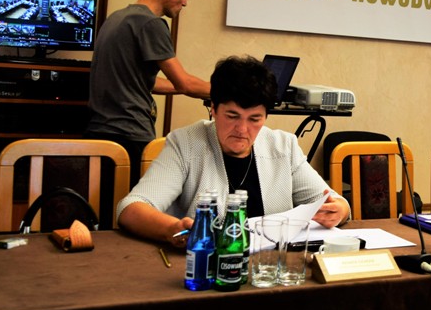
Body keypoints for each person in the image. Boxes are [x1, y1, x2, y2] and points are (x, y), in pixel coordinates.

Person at [117, 56, 350, 246]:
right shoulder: (185, 143)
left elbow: (333, 202)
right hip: (204, 267)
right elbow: (131, 209)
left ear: (265, 116)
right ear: (213, 109)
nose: (242, 130)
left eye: (254, 119)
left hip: (269, 267)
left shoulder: (283, 146)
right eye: (232, 116)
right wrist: (172, 229)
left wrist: (339, 210)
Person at [87, 0, 211, 187]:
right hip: (129, 134)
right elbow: (184, 82)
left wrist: (189, 87)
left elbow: (141, 81)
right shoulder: (150, 23)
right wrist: (229, 91)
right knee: (133, 205)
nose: (185, 3)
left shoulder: (117, 18)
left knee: (107, 203)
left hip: (101, 132)